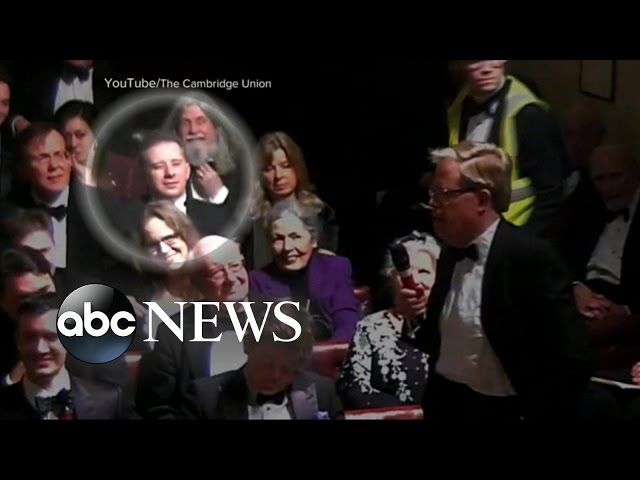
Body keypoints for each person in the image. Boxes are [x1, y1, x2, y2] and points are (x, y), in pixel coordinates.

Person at [403, 140, 592, 420]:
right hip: (449, 404)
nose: (433, 204)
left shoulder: (529, 256)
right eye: (432, 193)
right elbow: (441, 341)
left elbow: (571, 357)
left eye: (444, 194)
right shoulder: (452, 252)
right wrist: (412, 315)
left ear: (482, 200)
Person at [446, 60, 567, 238]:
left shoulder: (529, 115)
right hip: (468, 231)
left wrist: (524, 241)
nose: (486, 69)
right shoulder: (459, 104)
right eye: (475, 61)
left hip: (513, 233)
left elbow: (551, 193)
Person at [180, 303, 344, 420]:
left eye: (287, 368)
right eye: (266, 363)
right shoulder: (205, 398)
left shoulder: (322, 392)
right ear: (247, 345)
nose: (275, 376)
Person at [338, 232, 439, 409]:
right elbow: (353, 387)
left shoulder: (449, 323)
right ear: (391, 279)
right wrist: (407, 414)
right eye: (404, 272)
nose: (414, 281)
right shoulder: (370, 327)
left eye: (424, 272)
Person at [0, 292, 128, 419]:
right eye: (30, 337)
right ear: (18, 341)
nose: (40, 349)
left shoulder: (109, 401)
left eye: (51, 337)